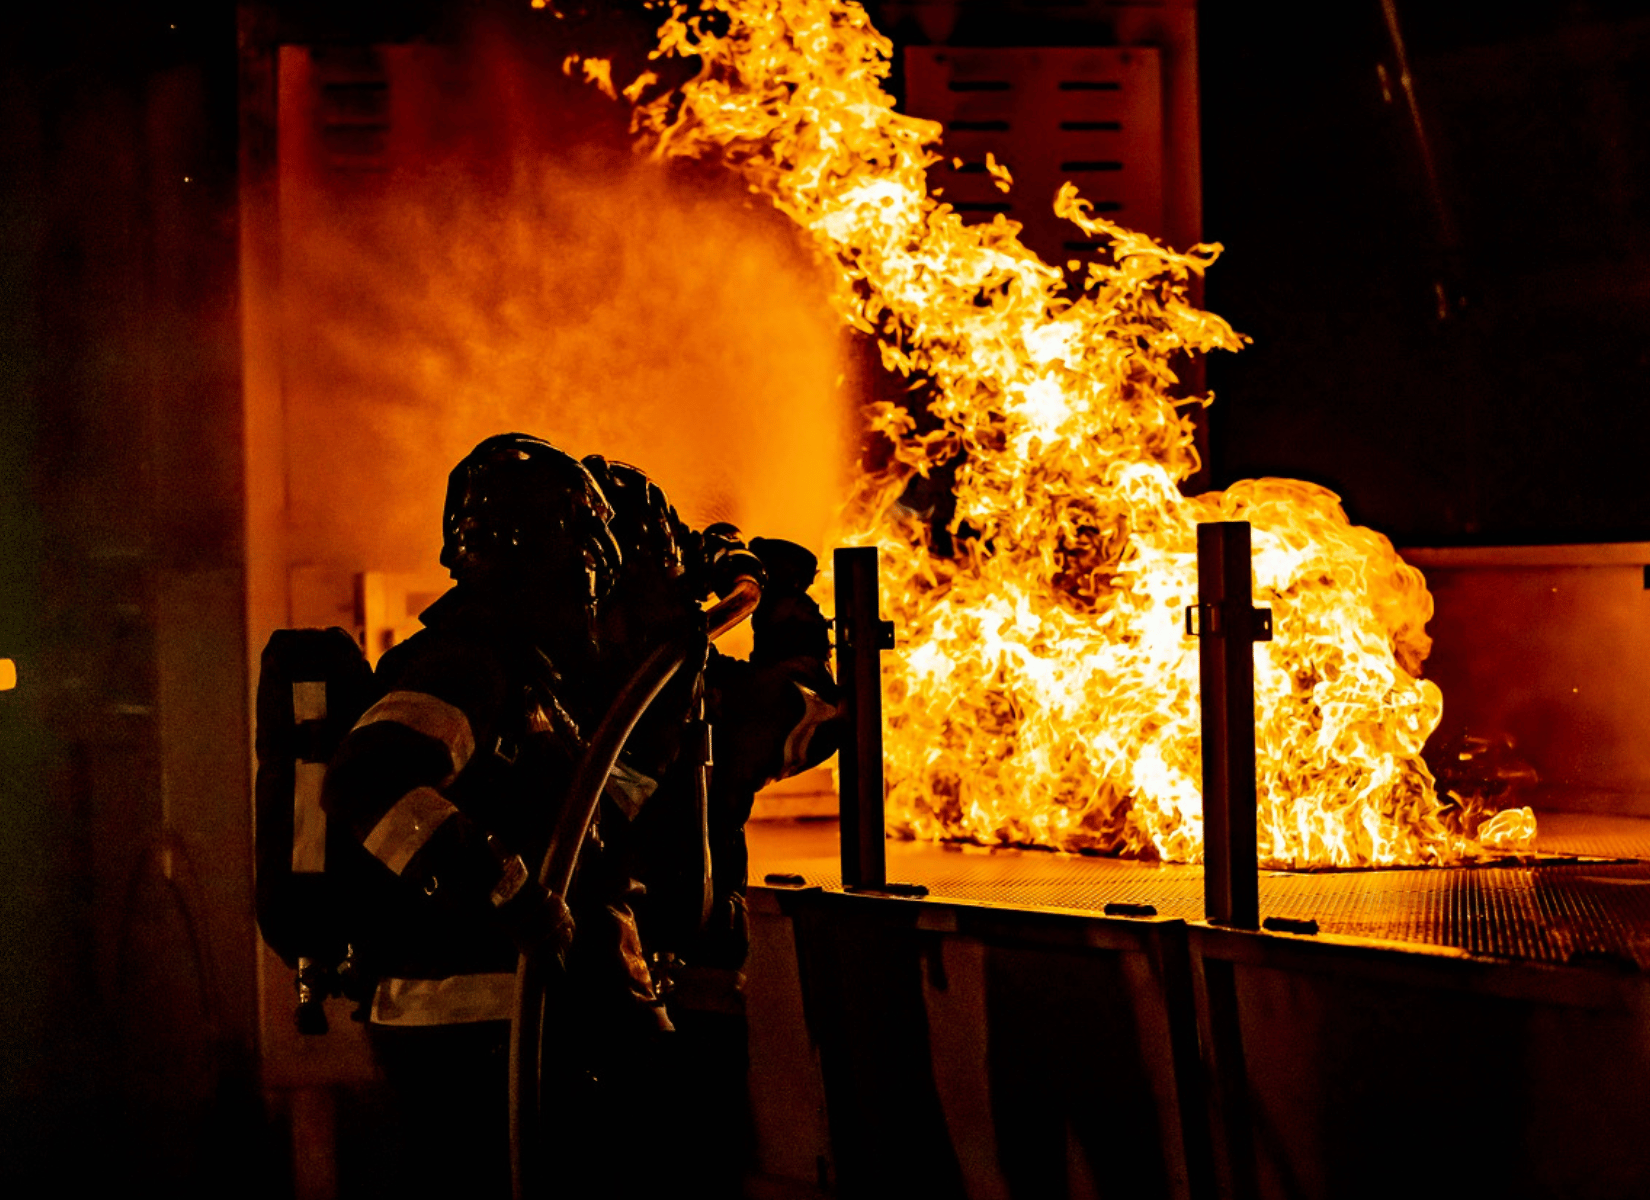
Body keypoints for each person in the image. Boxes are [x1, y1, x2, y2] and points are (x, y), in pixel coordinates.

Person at [321, 433, 840, 1196]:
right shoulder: (471, 665)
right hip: (498, 1034)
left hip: (542, 1026)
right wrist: (506, 889)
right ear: (582, 561)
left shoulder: (544, 683)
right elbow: (369, 779)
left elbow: (594, 822)